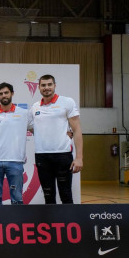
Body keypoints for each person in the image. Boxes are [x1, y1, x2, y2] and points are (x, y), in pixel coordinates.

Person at [30, 74, 83, 204]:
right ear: (39, 88)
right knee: (48, 196)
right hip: (42, 157)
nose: (46, 88)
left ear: (55, 86)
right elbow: (33, 128)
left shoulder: (67, 102)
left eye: (49, 84)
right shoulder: (35, 107)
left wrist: (79, 158)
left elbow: (76, 130)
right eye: (43, 85)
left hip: (63, 156)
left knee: (66, 195)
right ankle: (52, 225)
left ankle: (69, 224)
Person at [0, 83, 33, 205]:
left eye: (6, 92)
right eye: (1, 94)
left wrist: (64, 132)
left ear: (12, 93)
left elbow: (39, 130)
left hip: (15, 161)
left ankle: (16, 223)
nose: (4, 95)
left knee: (17, 198)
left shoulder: (24, 113)